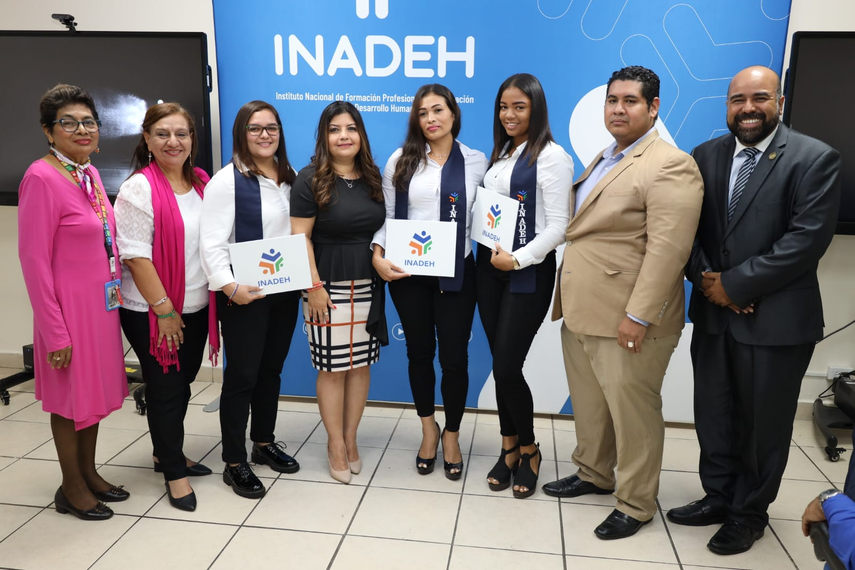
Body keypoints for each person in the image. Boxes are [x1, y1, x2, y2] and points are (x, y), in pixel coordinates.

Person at [667, 65, 841, 555]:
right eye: (737, 99)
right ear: (727, 106)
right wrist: (708, 281)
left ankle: (748, 514)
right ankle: (718, 497)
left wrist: (736, 285)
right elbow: (686, 229)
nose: (748, 108)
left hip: (777, 322)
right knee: (714, 414)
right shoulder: (705, 155)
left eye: (760, 98)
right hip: (714, 315)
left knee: (763, 426)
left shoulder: (814, 158)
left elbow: (806, 241)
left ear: (779, 103)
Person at [542, 66, 703, 540]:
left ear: (653, 108)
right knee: (591, 405)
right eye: (612, 100)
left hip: (628, 318)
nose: (618, 108)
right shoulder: (608, 155)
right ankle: (594, 472)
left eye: (630, 101)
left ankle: (635, 502)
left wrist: (638, 316)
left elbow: (668, 250)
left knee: (634, 414)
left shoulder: (670, 164)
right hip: (583, 308)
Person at [18, 84, 129, 520]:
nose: (82, 130)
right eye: (68, 122)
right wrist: (54, 332)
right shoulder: (40, 178)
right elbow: (34, 262)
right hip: (66, 312)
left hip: (99, 309)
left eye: (88, 122)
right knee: (68, 400)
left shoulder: (89, 174)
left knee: (92, 394)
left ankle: (89, 472)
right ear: (49, 131)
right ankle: (71, 486)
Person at [371, 84, 487, 480]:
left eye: (438, 110)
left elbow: (490, 216)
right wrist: (377, 254)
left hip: (457, 272)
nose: (430, 119)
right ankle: (428, 429)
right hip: (409, 274)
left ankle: (451, 434)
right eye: (422, 113)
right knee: (419, 354)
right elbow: (388, 216)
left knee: (454, 359)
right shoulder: (401, 159)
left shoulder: (476, 161)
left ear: (453, 113)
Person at [115, 102, 219, 512]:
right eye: (162, 134)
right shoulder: (138, 189)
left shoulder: (202, 182)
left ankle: (164, 452)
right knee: (167, 389)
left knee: (184, 381)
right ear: (147, 139)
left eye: (181, 134)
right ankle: (174, 472)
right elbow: (136, 257)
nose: (173, 142)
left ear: (192, 140)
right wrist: (164, 311)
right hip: (152, 310)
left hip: (196, 303)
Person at [478, 73, 574, 499]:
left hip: (527, 271)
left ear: (536, 109)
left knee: (506, 366)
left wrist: (517, 258)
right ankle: (509, 447)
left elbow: (559, 226)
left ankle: (530, 448)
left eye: (519, 106)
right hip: (490, 270)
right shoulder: (503, 154)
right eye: (504, 107)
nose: (509, 114)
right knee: (501, 366)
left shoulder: (552, 157)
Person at [200, 100, 301, 499]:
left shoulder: (290, 176)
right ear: (242, 133)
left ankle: (263, 442)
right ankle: (234, 461)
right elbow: (211, 243)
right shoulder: (226, 182)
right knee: (242, 377)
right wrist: (229, 287)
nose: (264, 135)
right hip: (244, 295)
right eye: (255, 128)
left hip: (284, 290)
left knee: (271, 371)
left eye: (271, 128)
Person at [291, 101, 386, 484]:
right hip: (325, 285)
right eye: (334, 130)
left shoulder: (373, 176)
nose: (343, 136)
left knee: (360, 366)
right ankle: (334, 444)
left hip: (368, 284)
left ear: (360, 134)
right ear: (324, 137)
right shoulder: (309, 178)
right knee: (332, 370)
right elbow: (300, 239)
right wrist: (313, 287)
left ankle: (350, 438)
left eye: (350, 128)